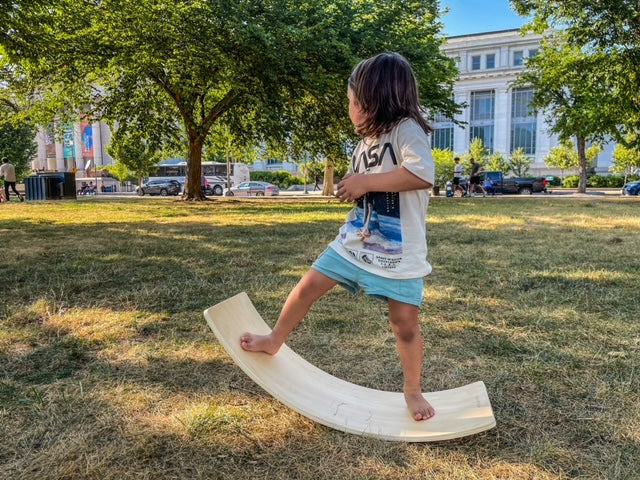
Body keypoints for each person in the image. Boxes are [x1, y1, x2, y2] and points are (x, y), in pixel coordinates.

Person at [240, 52, 436, 421]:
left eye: (352, 102)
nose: (349, 109)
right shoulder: (364, 144)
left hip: (399, 253)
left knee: (405, 325)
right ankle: (274, 339)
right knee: (306, 287)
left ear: (374, 100)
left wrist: (366, 182)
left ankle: (412, 391)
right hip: (354, 243)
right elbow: (367, 184)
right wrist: (355, 187)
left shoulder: (408, 130)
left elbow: (421, 175)